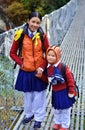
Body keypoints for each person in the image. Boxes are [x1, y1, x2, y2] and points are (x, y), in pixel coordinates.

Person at [10, 12, 50, 129]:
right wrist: (21, 62)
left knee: (39, 96)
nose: (35, 24)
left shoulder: (42, 35)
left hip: (39, 70)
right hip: (26, 70)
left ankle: (38, 118)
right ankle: (29, 114)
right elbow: (12, 53)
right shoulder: (20, 35)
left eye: (38, 22)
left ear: (40, 23)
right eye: (33, 21)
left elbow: (48, 53)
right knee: (28, 96)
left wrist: (42, 68)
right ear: (28, 21)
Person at [46, 45, 76, 130]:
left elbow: (70, 79)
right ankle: (57, 122)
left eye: (53, 55)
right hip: (55, 92)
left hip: (64, 92)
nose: (50, 58)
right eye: (49, 55)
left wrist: (71, 91)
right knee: (56, 108)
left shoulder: (63, 67)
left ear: (58, 56)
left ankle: (65, 125)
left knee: (65, 110)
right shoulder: (48, 67)